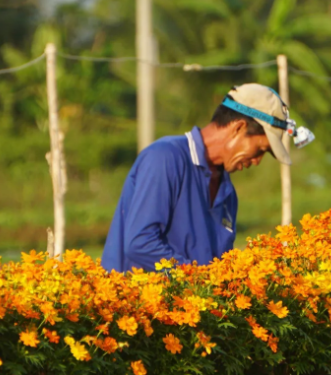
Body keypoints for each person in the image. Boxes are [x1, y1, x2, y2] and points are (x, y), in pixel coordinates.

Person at [102, 83, 311, 272]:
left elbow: (216, 264)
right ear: (238, 128)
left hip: (191, 310)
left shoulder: (227, 194)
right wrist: (199, 279)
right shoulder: (166, 158)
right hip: (138, 309)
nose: (257, 162)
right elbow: (140, 243)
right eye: (260, 150)